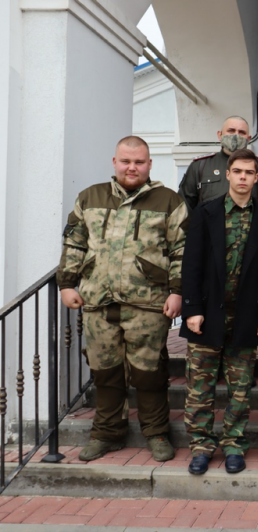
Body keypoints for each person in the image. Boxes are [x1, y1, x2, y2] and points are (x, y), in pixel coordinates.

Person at [57, 136, 187, 462]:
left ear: (149, 164)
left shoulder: (169, 201)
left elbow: (182, 252)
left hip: (148, 303)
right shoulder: (90, 197)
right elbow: (75, 244)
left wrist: (178, 291)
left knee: (149, 371)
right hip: (98, 301)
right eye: (126, 161)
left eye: (139, 162)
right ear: (114, 162)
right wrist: (66, 284)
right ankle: (107, 434)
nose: (132, 167)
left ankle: (156, 433)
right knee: (105, 370)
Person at [180, 149, 258, 475]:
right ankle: (201, 446)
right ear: (227, 174)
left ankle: (235, 444)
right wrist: (191, 309)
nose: (242, 177)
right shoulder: (206, 213)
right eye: (236, 171)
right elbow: (191, 265)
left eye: (248, 173)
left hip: (245, 317)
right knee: (200, 388)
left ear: (256, 178)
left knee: (240, 388)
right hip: (206, 315)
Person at [178, 116, 258, 241]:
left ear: (249, 138)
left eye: (241, 132)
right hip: (208, 242)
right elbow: (184, 208)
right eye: (231, 131)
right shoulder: (200, 166)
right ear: (220, 135)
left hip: (249, 244)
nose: (235, 135)